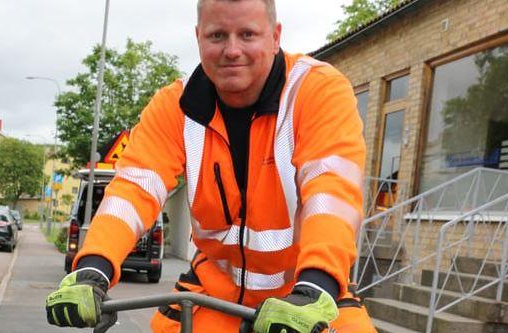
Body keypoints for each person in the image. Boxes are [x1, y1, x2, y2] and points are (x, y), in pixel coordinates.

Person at [45, 0, 376, 332]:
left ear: (275, 37)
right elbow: (133, 190)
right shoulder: (174, 106)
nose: (232, 50)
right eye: (218, 35)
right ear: (198, 37)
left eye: (247, 34)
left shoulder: (316, 91)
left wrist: (316, 287)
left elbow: (331, 191)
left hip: (305, 295)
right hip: (212, 298)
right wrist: (92, 268)